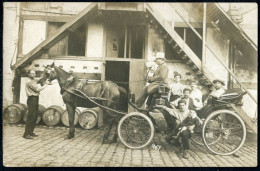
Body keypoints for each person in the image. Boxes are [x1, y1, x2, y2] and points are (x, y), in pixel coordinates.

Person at [23, 70, 50, 139]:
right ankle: (26, 134)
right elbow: (38, 89)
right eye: (32, 73)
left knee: (34, 116)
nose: (34, 74)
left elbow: (40, 79)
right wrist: (46, 84)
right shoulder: (29, 82)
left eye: (34, 73)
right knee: (31, 116)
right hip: (32, 99)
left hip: (35, 99)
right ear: (29, 74)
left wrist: (45, 72)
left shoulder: (33, 80)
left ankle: (31, 132)